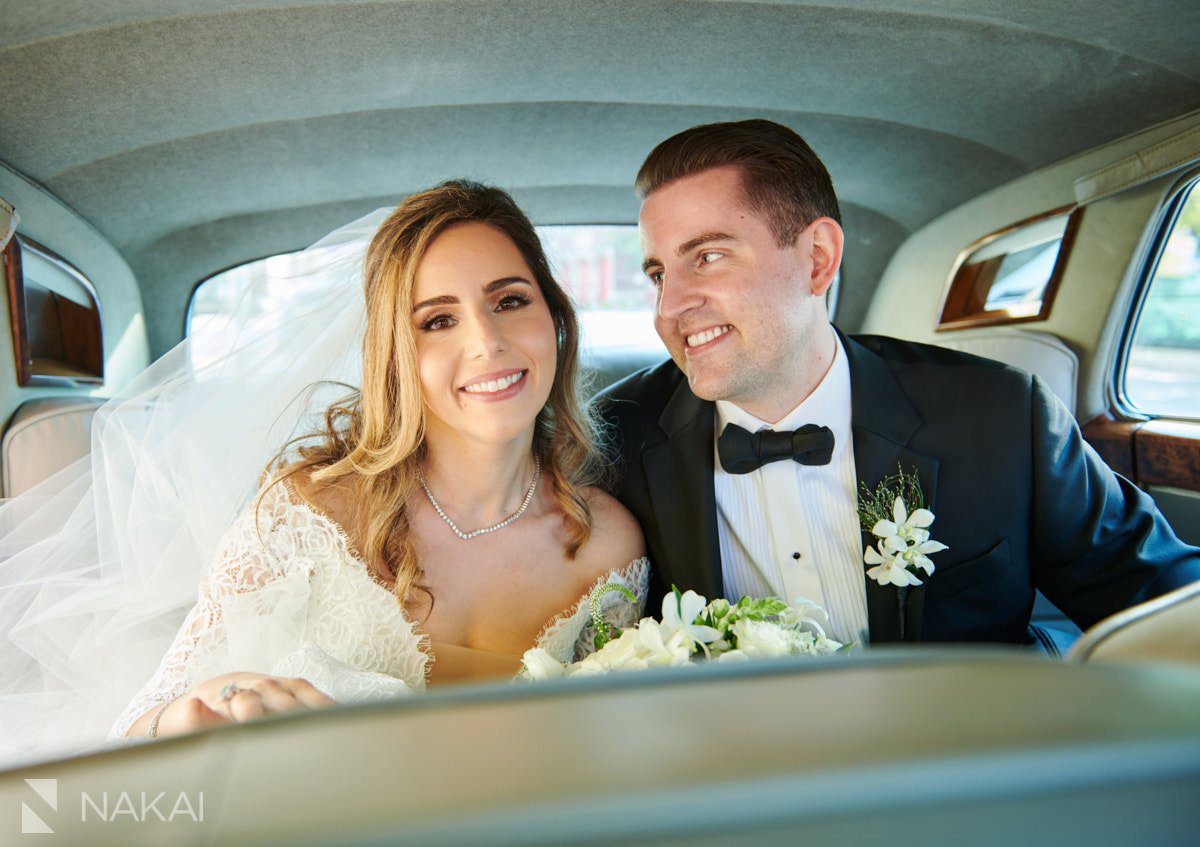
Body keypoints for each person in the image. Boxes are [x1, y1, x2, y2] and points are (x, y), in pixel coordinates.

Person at [0, 181, 646, 761]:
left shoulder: (607, 544)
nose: (486, 341)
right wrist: (217, 701)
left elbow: (606, 752)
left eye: (509, 300)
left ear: (555, 319)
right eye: (438, 320)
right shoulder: (304, 513)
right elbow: (137, 728)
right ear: (396, 355)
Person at [595, 119, 1200, 648]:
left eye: (707, 257)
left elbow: (1161, 599)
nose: (670, 307)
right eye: (657, 273)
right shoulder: (613, 442)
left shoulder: (999, 415)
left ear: (818, 258)